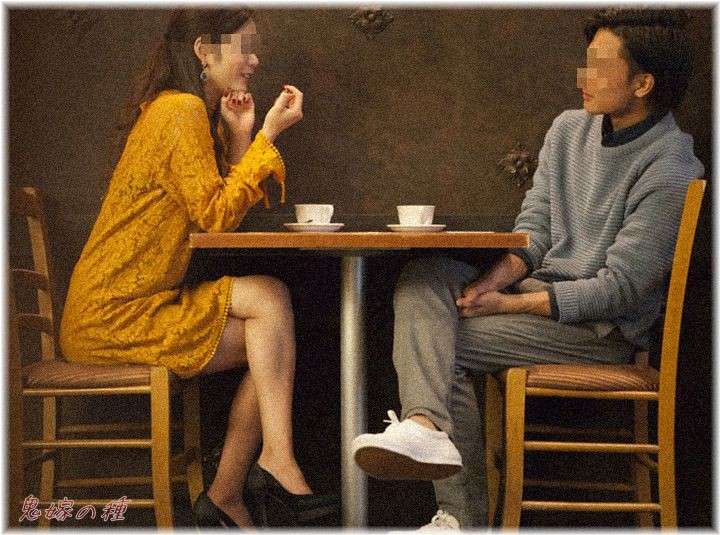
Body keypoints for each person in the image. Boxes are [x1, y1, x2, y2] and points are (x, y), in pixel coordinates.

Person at [351, 8, 704, 529]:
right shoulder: (569, 130)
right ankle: (424, 427)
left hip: (599, 331)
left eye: (598, 66)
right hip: (539, 298)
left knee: (439, 342)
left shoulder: (671, 164)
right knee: (425, 279)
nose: (582, 77)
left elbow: (621, 289)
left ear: (643, 83)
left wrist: (508, 303)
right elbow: (534, 232)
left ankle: (459, 516)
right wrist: (487, 286)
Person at [59, 8, 333, 528]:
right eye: (245, 46)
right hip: (112, 317)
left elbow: (219, 214)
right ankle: (271, 466)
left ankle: (232, 491)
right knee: (270, 310)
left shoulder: (187, 112)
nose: (255, 60)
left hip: (141, 306)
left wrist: (241, 136)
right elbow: (215, 216)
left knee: (269, 328)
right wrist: (266, 139)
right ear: (204, 51)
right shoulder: (179, 110)